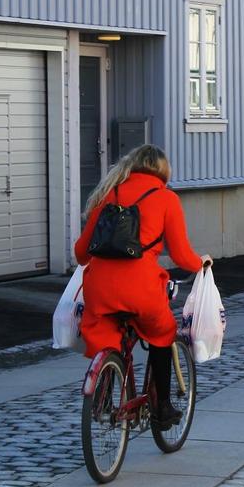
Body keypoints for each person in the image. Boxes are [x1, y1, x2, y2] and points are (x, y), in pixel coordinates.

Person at [75, 144, 212, 430]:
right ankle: (161, 407)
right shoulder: (165, 198)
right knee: (163, 334)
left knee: (105, 333)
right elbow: (180, 254)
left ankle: (103, 384)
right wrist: (202, 263)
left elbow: (81, 253)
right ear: (163, 171)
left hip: (99, 289)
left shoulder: (108, 194)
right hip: (141, 289)